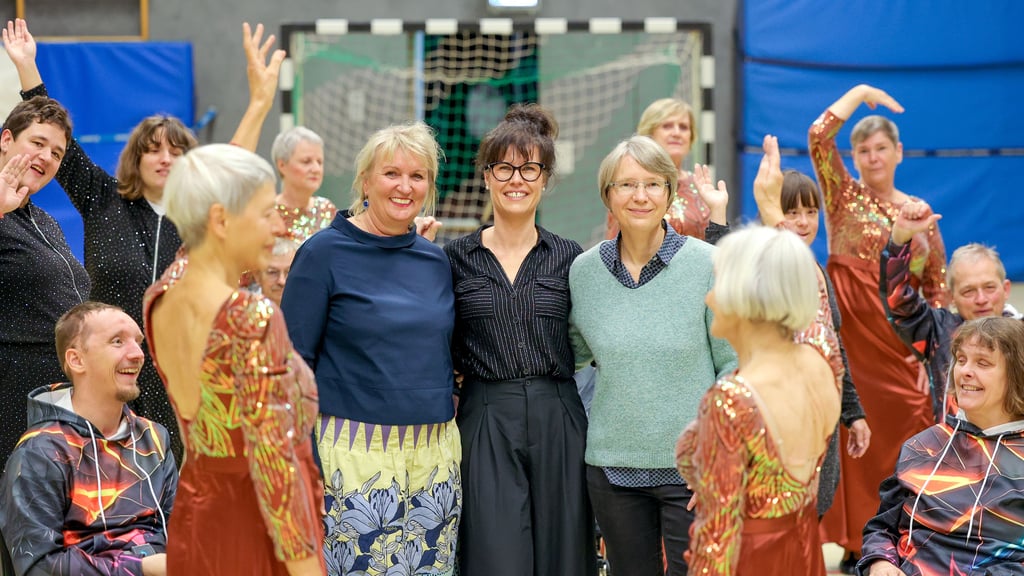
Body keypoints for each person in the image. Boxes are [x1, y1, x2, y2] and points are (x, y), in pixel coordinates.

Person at [3, 18, 287, 464]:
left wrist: (258, 103)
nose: (165, 158)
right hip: (108, 374)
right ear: (136, 157)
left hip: (181, 368)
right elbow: (62, 144)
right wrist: (27, 70)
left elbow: (232, 166)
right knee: (106, 485)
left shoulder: (198, 219)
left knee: (175, 485)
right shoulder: (102, 198)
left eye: (177, 151)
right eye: (154, 148)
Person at [281, 122, 460, 576]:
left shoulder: (435, 260)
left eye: (417, 176)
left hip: (434, 461)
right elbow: (293, 365)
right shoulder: (322, 253)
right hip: (351, 461)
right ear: (365, 181)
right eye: (391, 174)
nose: (405, 187)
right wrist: (303, 460)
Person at [144, 142, 324, 575]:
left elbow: (204, 247)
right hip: (256, 529)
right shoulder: (251, 317)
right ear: (221, 219)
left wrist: (259, 106)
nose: (280, 226)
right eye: (266, 213)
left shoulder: (163, 292)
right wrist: (306, 568)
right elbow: (273, 467)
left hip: (197, 514)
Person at [569, 135, 737, 576]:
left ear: (670, 193)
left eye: (652, 184)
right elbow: (569, 358)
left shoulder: (707, 263)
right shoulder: (584, 273)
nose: (639, 196)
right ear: (608, 195)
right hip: (612, 470)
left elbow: (733, 366)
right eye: (626, 185)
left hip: (693, 473)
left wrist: (717, 453)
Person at [444, 104, 593, 576]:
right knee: (493, 554)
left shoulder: (571, 258)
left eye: (530, 168)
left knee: (564, 553)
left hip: (559, 413)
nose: (517, 179)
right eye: (504, 167)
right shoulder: (454, 258)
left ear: (545, 178)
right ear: (486, 176)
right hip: (485, 412)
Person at [808, 84, 949, 570]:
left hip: (899, 351)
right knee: (854, 443)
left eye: (881, 148)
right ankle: (854, 545)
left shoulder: (919, 214)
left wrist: (929, 355)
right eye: (862, 150)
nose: (871, 157)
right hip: (851, 349)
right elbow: (818, 136)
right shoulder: (842, 194)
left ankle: (906, 539)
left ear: (899, 152)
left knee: (910, 437)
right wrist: (859, 94)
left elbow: (938, 289)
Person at [675, 226, 841, 575]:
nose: (709, 298)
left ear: (745, 295)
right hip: (804, 552)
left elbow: (715, 540)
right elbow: (805, 287)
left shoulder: (731, 401)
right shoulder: (823, 355)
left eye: (717, 283)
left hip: (751, 561)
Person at [0, 301, 177, 576]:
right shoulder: (40, 452)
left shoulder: (154, 438)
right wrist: (143, 567)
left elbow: (181, 533)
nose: (137, 354)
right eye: (118, 341)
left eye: (138, 342)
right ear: (76, 360)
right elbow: (37, 567)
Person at [752, 135, 871, 517]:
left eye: (811, 212)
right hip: (776, 428)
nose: (803, 222)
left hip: (820, 429)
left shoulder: (817, 270)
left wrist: (852, 412)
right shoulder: (761, 264)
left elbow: (833, 345)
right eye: (792, 212)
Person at [859, 317, 1024, 575]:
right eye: (961, 359)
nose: (965, 371)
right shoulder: (925, 446)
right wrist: (880, 561)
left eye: (983, 363)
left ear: (1016, 375)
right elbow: (882, 528)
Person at [0, 89, 82, 472]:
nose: (47, 157)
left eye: (57, 153)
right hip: (10, 398)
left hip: (56, 398)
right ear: (6, 140)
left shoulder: (44, 220)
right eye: (38, 143)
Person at [881, 199, 1017, 418]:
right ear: (952, 297)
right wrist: (899, 239)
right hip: (954, 448)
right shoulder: (937, 330)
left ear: (1006, 288)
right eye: (969, 291)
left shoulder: (1020, 334)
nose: (981, 299)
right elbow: (897, 300)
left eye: (989, 287)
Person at [605, 98, 729, 244]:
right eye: (667, 126)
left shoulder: (701, 185)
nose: (676, 133)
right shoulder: (631, 187)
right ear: (649, 134)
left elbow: (718, 250)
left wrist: (718, 209)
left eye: (683, 127)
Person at [271, 127, 336, 241]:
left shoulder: (326, 208)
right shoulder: (270, 213)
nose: (316, 169)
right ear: (282, 165)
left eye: (320, 162)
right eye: (306, 161)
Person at [254, 237, 300, 307]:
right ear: (257, 276)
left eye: (289, 272)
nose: (282, 281)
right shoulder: (242, 313)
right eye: (272, 272)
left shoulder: (315, 312)